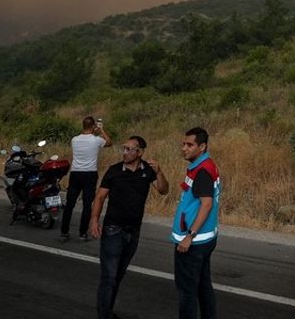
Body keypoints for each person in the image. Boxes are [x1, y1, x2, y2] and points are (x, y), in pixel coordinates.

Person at [88, 135, 169, 319]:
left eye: (128, 149)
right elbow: (100, 197)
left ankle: (107, 310)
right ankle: (104, 315)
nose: (124, 152)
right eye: (123, 148)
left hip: (133, 231)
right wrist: (94, 219)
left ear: (139, 152)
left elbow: (163, 190)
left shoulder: (147, 171)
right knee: (109, 276)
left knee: (118, 275)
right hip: (113, 229)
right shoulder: (114, 171)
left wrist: (159, 172)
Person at [172, 127, 220, 319]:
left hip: (193, 242)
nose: (184, 148)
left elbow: (206, 205)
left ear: (202, 146)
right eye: (183, 144)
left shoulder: (202, 171)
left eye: (189, 145)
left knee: (187, 292)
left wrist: (189, 236)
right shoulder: (203, 165)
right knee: (203, 286)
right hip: (205, 239)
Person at [60, 115, 112, 242]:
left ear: (83, 126)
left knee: (70, 204)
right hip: (89, 174)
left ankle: (64, 232)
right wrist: (101, 130)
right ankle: (82, 233)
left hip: (75, 173)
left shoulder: (74, 140)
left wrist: (93, 130)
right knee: (87, 205)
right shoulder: (96, 140)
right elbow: (109, 143)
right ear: (93, 126)